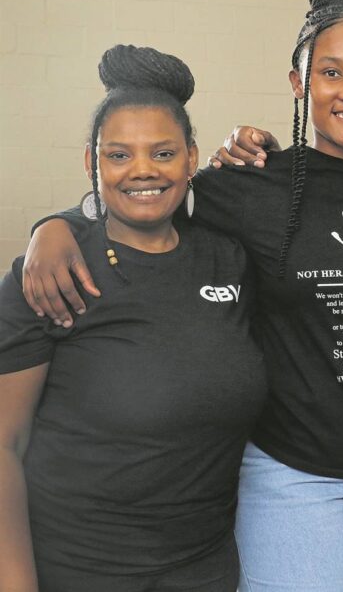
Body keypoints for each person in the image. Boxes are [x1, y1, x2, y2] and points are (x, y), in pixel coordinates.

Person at [20, 0, 343, 592]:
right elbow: (141, 192)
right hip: (296, 475)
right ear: (299, 83)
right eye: (330, 72)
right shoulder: (246, 186)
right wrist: (56, 223)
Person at [0, 45, 266, 591]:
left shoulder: (229, 259)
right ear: (91, 163)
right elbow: (4, 445)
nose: (142, 170)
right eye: (118, 155)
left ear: (192, 158)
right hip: (79, 571)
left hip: (206, 571)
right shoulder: (51, 272)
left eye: (163, 153)